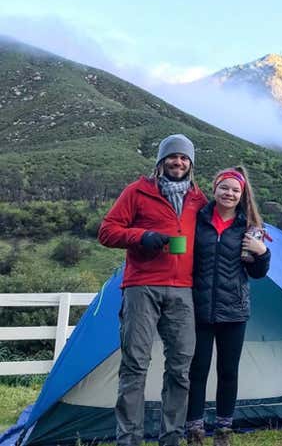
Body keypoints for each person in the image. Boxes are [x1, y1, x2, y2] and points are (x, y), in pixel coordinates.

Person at [98, 134, 207, 446]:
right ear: (161, 161)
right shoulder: (137, 191)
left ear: (191, 164)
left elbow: (223, 225)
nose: (178, 162)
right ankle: (128, 439)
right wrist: (141, 236)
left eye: (185, 158)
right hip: (141, 287)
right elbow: (106, 232)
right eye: (172, 157)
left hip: (183, 291)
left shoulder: (198, 199)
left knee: (180, 369)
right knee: (135, 365)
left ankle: (171, 437)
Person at [185, 166, 271, 446]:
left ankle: (223, 430)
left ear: (242, 194)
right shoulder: (197, 220)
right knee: (197, 370)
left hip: (234, 311)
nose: (229, 194)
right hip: (199, 308)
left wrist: (263, 254)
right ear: (215, 189)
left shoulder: (248, 227)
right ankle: (195, 430)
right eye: (225, 188)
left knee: (228, 371)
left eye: (235, 190)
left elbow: (257, 273)